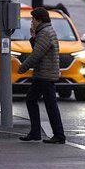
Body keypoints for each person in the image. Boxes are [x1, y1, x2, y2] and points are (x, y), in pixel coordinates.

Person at [18, 8, 66, 144]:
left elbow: (36, 54)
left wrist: (22, 68)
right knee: (33, 100)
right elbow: (39, 49)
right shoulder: (44, 31)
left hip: (45, 75)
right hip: (43, 74)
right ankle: (36, 132)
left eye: (33, 19)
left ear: (39, 20)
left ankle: (58, 135)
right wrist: (33, 37)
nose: (31, 22)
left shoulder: (45, 33)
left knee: (49, 104)